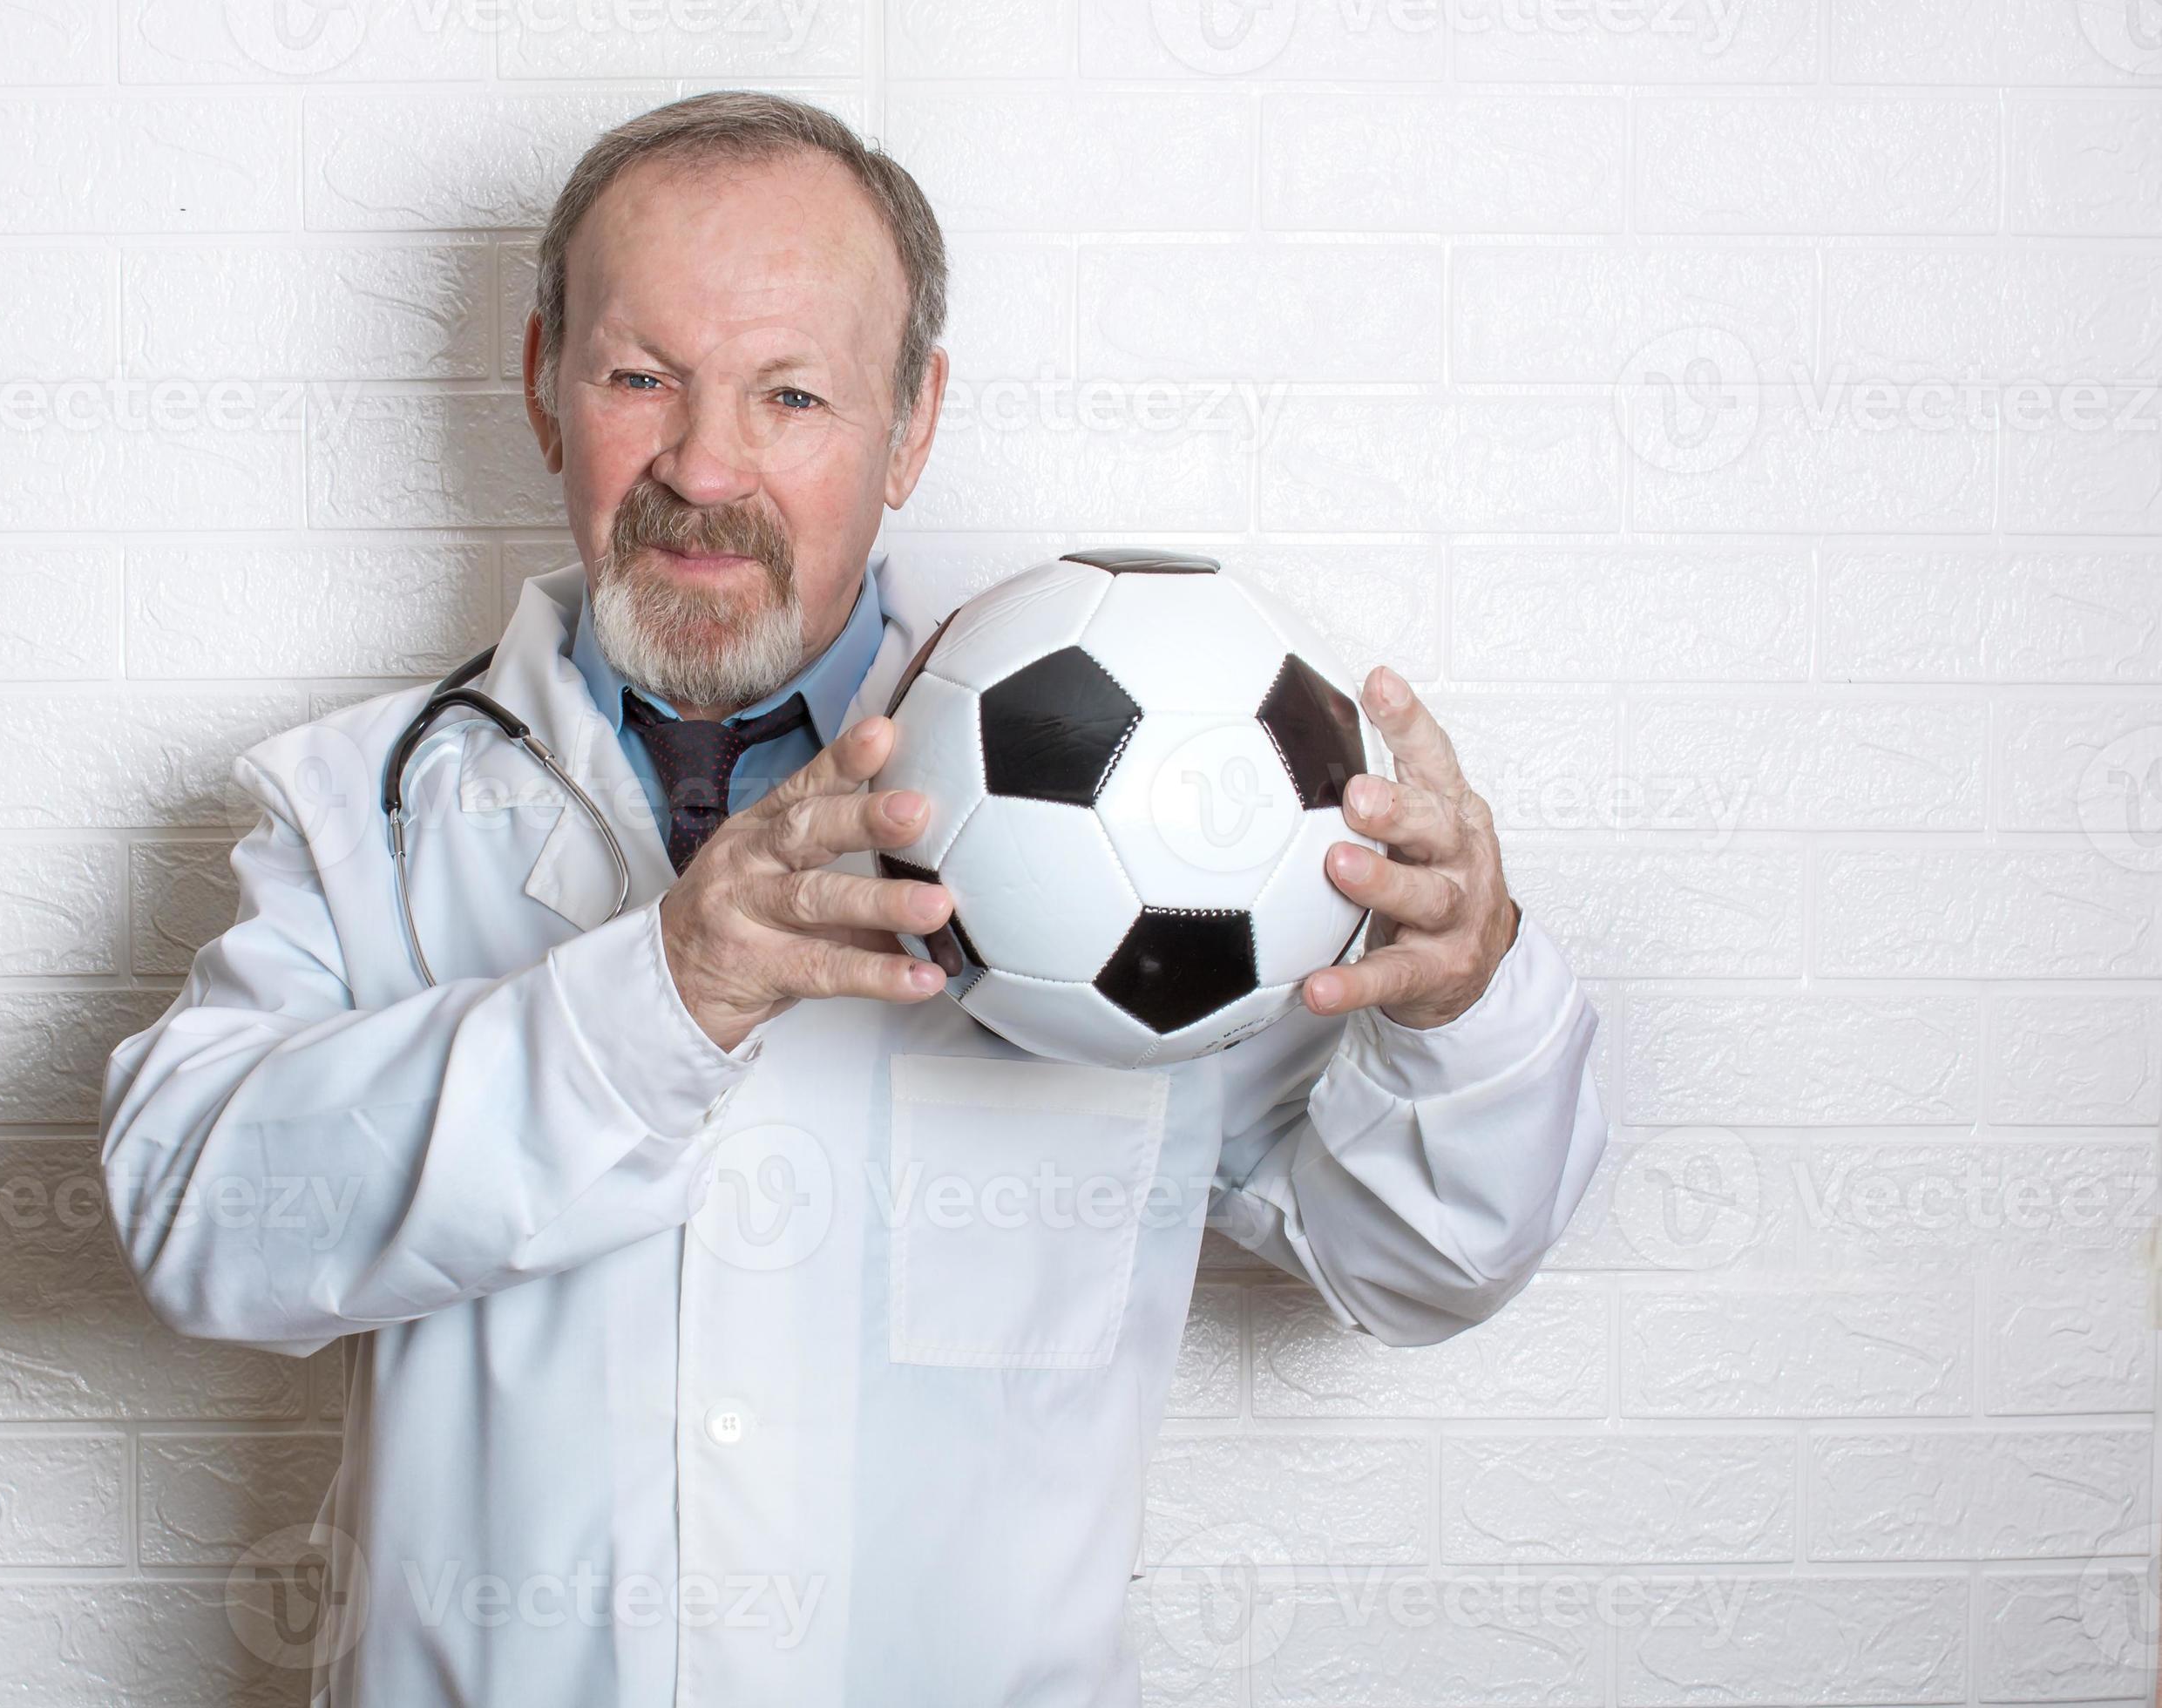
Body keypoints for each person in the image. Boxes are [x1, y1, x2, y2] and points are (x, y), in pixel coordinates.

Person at [99, 89, 1605, 1706]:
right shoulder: (359, 809)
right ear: (544, 387)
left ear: (914, 421)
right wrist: (660, 995)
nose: (701, 463)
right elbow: (197, 1223)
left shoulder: (1164, 833)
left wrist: (1465, 1003)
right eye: (636, 377)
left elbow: (1422, 1268)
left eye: (793, 393)